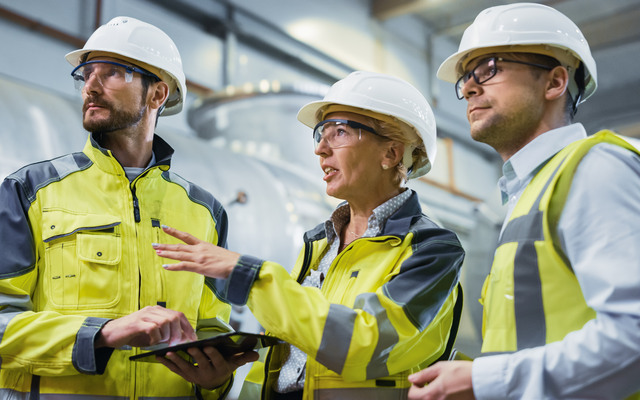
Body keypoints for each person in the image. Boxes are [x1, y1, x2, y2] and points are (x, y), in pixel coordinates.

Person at [152, 70, 465, 399]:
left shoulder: (433, 251)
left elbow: (366, 346)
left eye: (339, 132)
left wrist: (249, 275)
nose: (321, 150)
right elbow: (279, 363)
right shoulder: (318, 243)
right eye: (321, 134)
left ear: (391, 154)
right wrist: (216, 383)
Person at [0, 16, 255, 399]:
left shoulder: (206, 211)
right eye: (86, 74)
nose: (91, 86)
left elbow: (211, 327)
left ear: (157, 95)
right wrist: (102, 334)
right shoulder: (31, 190)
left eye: (113, 73)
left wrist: (215, 381)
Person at [408, 3, 640, 399]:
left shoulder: (594, 169)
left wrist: (485, 380)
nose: (467, 88)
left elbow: (633, 334)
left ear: (554, 83)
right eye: (465, 77)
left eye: (490, 68)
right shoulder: (529, 193)